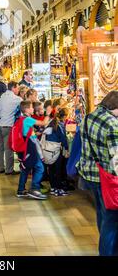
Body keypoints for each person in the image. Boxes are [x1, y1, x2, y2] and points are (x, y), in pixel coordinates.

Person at [77, 91, 118, 256]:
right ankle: (107, 252)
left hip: (89, 174)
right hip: (107, 179)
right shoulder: (112, 125)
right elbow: (116, 159)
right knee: (112, 219)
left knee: (102, 213)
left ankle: (105, 245)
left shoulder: (89, 117)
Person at [16, 101, 49, 200]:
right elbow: (44, 122)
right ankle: (34, 189)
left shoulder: (22, 119)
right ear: (26, 110)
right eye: (31, 107)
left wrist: (37, 133)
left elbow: (28, 133)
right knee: (40, 168)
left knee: (25, 169)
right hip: (30, 149)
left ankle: (21, 190)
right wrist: (47, 114)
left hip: (25, 149)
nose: (33, 109)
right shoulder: (28, 119)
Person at [43, 109, 69, 197]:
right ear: (65, 117)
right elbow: (63, 138)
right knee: (58, 170)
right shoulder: (60, 125)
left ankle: (53, 187)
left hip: (47, 149)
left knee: (51, 169)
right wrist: (66, 148)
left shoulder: (50, 123)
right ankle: (59, 189)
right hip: (56, 150)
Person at [0, 81, 21, 175]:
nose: (18, 90)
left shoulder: (2, 96)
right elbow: (25, 106)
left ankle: (1, 168)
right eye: (17, 88)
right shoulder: (16, 99)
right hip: (8, 126)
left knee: (0, 148)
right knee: (8, 149)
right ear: (13, 88)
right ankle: (9, 169)